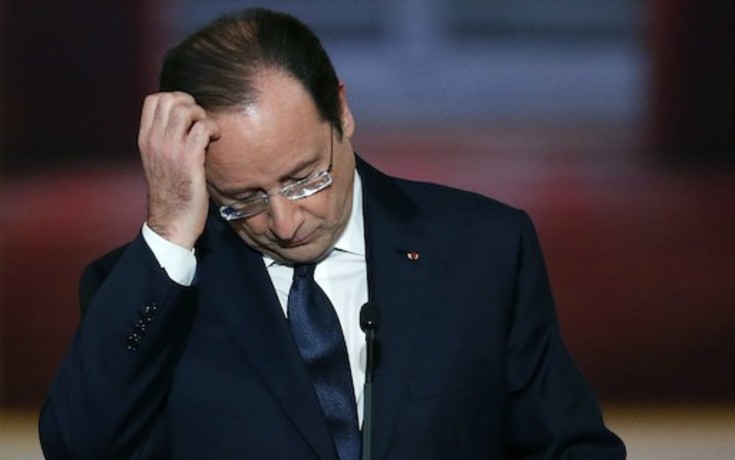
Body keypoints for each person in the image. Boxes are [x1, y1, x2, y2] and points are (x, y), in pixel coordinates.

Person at [39, 7, 625, 460]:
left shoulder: (482, 249)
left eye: (304, 179)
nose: (284, 222)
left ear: (341, 112)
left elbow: (570, 448)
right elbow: (81, 448)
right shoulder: (146, 290)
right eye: (243, 199)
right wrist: (169, 229)